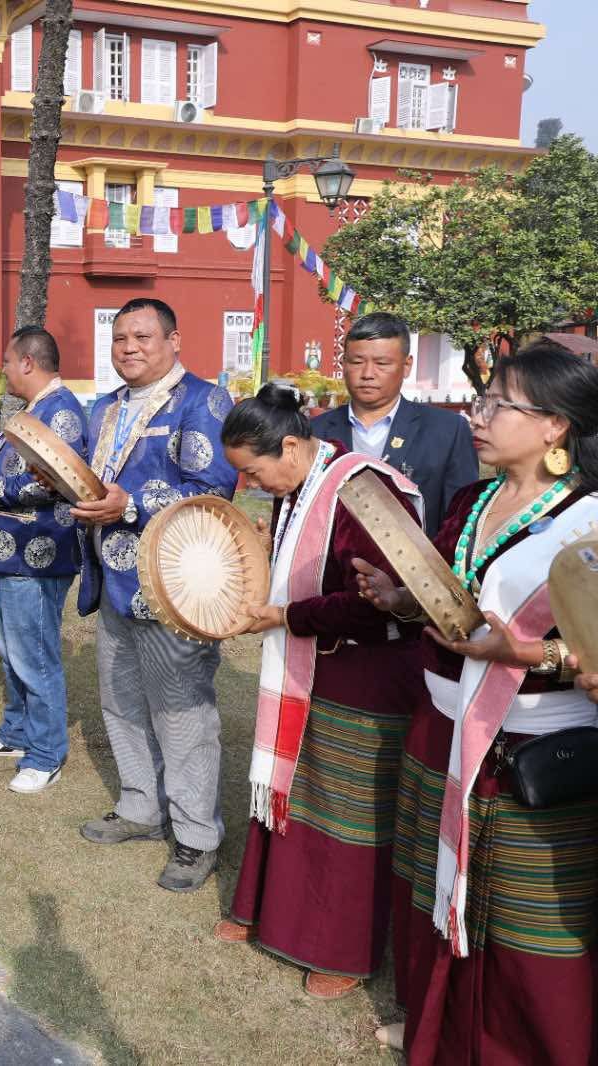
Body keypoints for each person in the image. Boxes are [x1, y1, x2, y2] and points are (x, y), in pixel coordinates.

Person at [357, 344, 598, 1065]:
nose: (477, 416)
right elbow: (455, 603)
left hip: (530, 745)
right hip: (443, 725)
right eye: (480, 400)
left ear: (555, 426)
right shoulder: (471, 501)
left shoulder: (588, 523)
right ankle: (438, 1028)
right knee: (439, 884)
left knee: (523, 920)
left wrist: (530, 654)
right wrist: (402, 598)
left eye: (497, 404)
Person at [212, 384, 424, 999]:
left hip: (368, 673)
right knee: (288, 786)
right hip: (313, 661)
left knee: (345, 811)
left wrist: (287, 616)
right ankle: (265, 911)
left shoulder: (365, 491)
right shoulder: (302, 484)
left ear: (289, 447)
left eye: (255, 472)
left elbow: (380, 603)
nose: (253, 484)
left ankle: (342, 948)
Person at [73, 298, 237, 893]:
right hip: (114, 584)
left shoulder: (203, 401)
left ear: (174, 340)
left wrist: (132, 504)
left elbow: (214, 488)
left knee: (183, 714)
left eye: (143, 336)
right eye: (120, 338)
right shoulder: (105, 407)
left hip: (173, 586)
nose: (129, 348)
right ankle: (141, 806)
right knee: (121, 703)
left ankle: (197, 836)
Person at [0, 328, 86, 794]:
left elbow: (54, 484)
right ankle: (17, 733)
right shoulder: (35, 408)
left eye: (7, 361)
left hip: (36, 555)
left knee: (34, 658)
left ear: (28, 362)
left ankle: (46, 754)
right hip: (13, 556)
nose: (2, 370)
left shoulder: (61, 412)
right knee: (13, 652)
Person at [311, 312, 478, 537]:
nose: (368, 374)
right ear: (344, 363)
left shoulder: (447, 431)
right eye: (357, 362)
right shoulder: (314, 432)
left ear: (406, 365)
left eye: (382, 363)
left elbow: (460, 523)